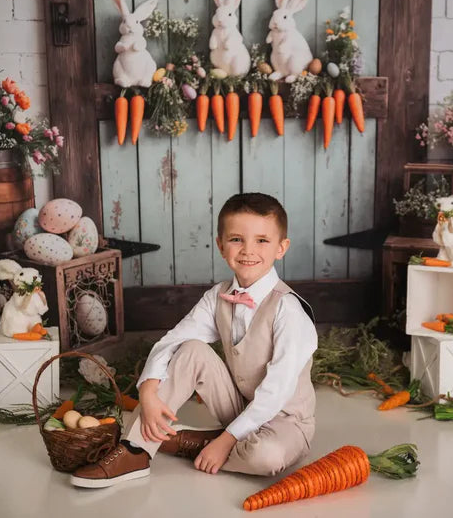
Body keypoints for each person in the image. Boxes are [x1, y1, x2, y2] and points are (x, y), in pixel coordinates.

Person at [71, 192, 317, 488]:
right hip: (239, 407)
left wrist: (225, 442)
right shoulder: (218, 296)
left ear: (281, 248)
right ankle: (135, 449)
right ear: (220, 245)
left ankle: (202, 443)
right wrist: (148, 392)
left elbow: (275, 393)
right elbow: (173, 341)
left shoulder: (288, 310)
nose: (248, 250)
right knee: (190, 349)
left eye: (262, 240)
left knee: (266, 457)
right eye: (237, 239)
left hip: (284, 422)